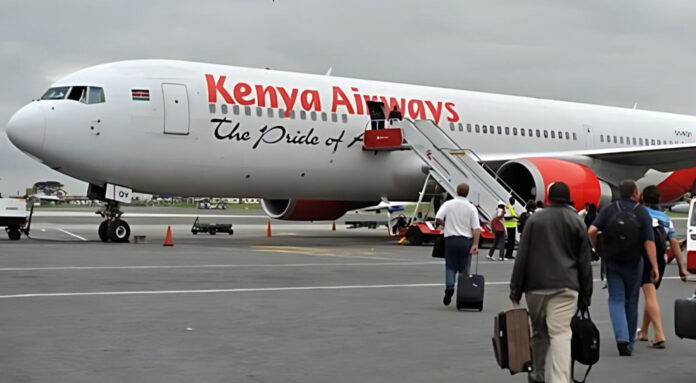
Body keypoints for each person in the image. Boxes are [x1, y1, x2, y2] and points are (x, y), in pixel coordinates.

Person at [510, 182, 593, 383]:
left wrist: (515, 290)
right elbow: (584, 261)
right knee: (561, 333)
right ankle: (560, 380)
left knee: (539, 331)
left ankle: (537, 374)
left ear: (548, 198)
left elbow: (522, 257)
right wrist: (586, 294)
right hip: (566, 286)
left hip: (535, 287)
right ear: (569, 198)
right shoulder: (576, 221)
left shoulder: (534, 220)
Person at [588, 180, 659, 356]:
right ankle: (630, 340)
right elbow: (649, 242)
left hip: (612, 261)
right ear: (635, 193)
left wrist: (598, 248)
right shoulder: (641, 212)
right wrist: (655, 266)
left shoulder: (610, 209)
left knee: (616, 299)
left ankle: (621, 338)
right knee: (631, 300)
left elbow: (591, 231)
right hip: (634, 261)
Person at [637, 185, 689, 348]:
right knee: (651, 292)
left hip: (644, 255)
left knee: (649, 293)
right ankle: (644, 331)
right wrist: (681, 266)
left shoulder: (640, 213)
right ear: (659, 200)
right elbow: (673, 242)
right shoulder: (665, 218)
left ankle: (659, 334)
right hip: (660, 258)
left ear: (642, 198)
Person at [434, 183, 481, 306]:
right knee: (464, 268)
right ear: (468, 192)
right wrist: (475, 244)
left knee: (450, 265)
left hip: (450, 239)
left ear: (456, 191)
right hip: (466, 240)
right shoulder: (471, 208)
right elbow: (476, 228)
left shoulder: (448, 204)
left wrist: (446, 225)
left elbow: (438, 217)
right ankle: (463, 292)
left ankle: (450, 287)